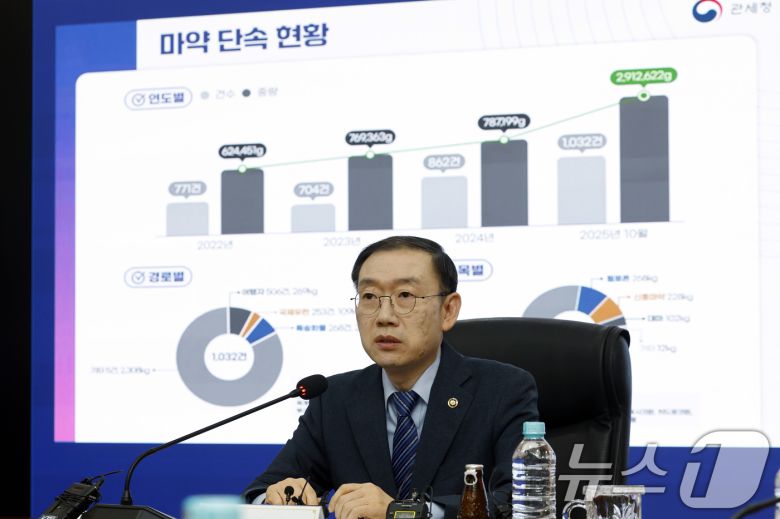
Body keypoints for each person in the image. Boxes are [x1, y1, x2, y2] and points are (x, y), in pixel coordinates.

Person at [242, 236, 538, 519]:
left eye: (405, 296)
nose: (384, 316)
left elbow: (518, 502)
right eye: (370, 296)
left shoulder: (503, 390)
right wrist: (276, 498)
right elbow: (260, 492)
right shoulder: (334, 398)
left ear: (448, 310)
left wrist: (404, 512)